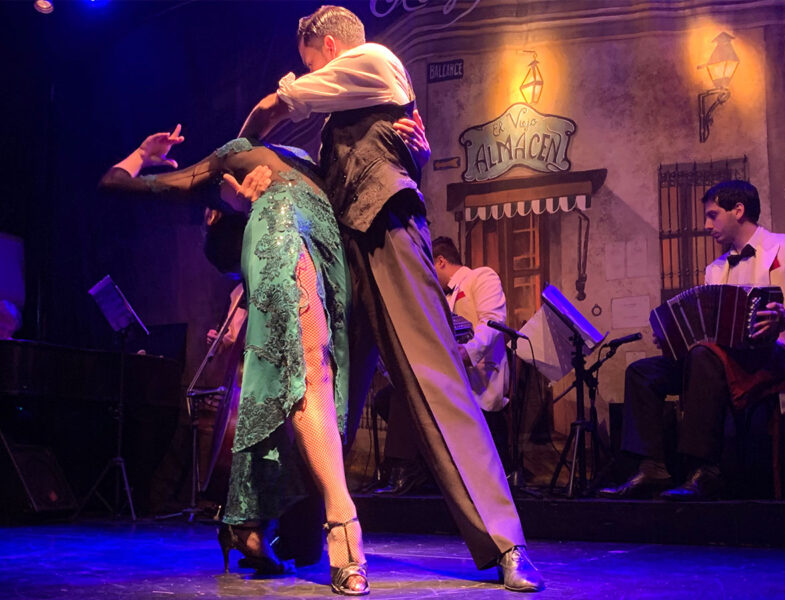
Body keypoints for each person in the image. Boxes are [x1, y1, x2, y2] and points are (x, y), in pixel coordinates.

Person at [238, 5, 543, 591]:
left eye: (308, 62)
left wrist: (240, 143)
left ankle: (506, 542)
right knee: (327, 392)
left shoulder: (373, 60)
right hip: (344, 251)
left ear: (327, 47)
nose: (308, 72)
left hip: (387, 234)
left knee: (436, 378)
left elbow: (280, 106)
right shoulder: (353, 105)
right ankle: (303, 535)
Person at [99, 127, 368, 594]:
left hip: (329, 244)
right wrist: (142, 153)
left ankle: (246, 524)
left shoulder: (274, 151)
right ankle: (343, 524)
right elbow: (114, 184)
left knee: (295, 382)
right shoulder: (219, 173)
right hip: (281, 226)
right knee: (311, 364)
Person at [598, 180, 785, 501]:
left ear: (739, 210)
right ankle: (652, 467)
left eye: (713, 215)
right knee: (643, 372)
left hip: (770, 358)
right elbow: (704, 330)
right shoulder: (714, 270)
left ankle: (704, 470)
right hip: (715, 362)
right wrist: (673, 336)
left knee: (704, 356)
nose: (706, 225)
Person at [373, 236, 512, 495]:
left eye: (428, 269)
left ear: (440, 261)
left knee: (408, 394)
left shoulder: (482, 277)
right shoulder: (440, 298)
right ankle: (411, 466)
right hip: (449, 381)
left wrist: (466, 352)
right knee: (387, 397)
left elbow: (492, 322)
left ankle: (405, 470)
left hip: (477, 380)